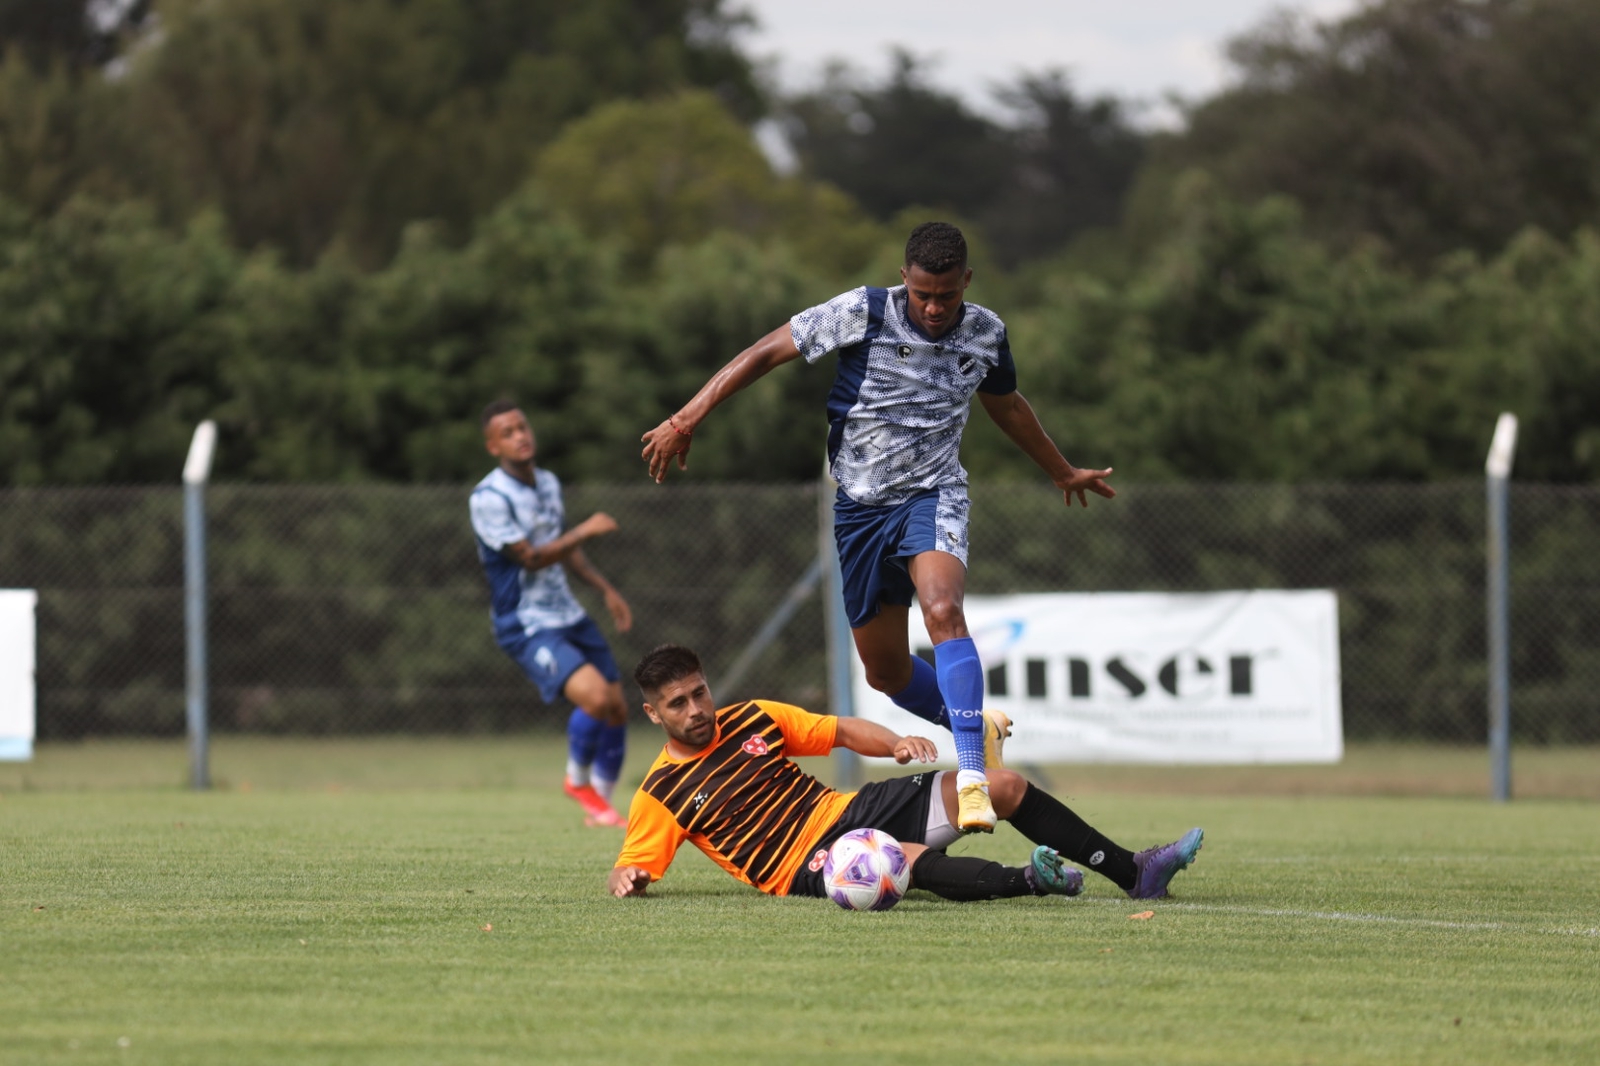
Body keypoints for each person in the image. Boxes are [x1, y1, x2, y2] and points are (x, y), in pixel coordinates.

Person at [640, 221, 1115, 835]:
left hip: (933, 495)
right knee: (886, 673)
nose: (935, 307)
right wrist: (686, 417)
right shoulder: (862, 312)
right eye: (923, 294)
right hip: (861, 510)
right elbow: (766, 351)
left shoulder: (986, 332)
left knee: (943, 609)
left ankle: (973, 776)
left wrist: (1061, 470)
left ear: (967, 281)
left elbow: (1008, 405)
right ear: (903, 279)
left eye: (948, 295)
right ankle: (978, 729)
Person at [608, 644, 1202, 903]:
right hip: (802, 864)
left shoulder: (752, 718)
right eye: (678, 704)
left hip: (848, 810)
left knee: (1002, 787)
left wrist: (894, 743)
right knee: (896, 859)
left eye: (699, 692)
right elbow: (631, 863)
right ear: (654, 714)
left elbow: (840, 730)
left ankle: (1135, 873)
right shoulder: (661, 792)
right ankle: (1032, 880)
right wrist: (627, 879)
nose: (696, 710)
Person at [471, 400, 635, 827]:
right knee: (595, 698)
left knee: (618, 707)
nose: (520, 436)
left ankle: (600, 809)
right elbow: (530, 558)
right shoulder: (489, 498)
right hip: (526, 623)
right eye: (507, 433)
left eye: (522, 427)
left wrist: (605, 589)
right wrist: (585, 529)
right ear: (493, 446)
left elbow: (564, 549)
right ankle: (576, 782)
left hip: (567, 613)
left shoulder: (547, 482)